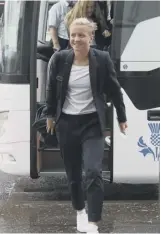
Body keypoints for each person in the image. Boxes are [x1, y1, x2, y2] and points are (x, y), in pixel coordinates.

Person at [46, 18, 127, 233]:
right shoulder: (59, 59)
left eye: (81, 35)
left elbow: (115, 89)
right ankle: (79, 211)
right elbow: (51, 90)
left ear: (91, 37)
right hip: (68, 124)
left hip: (92, 123)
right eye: (72, 35)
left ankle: (93, 221)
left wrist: (122, 117)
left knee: (93, 171)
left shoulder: (102, 59)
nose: (75, 39)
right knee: (73, 175)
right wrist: (49, 115)